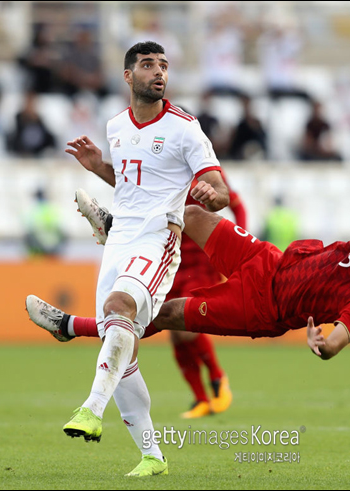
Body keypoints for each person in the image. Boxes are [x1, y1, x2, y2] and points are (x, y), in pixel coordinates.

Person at [27, 123, 350, 399]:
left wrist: (322, 344)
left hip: (261, 307)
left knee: (163, 313)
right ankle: (117, 225)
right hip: (269, 261)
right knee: (191, 212)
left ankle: (71, 327)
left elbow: (339, 341)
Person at [59, 41, 229, 478]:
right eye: (148, 64)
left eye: (164, 66)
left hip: (158, 240)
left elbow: (220, 189)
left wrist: (213, 195)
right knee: (119, 345)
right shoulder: (117, 125)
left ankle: (91, 408)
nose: (159, 72)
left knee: (118, 312)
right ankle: (153, 456)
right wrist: (99, 166)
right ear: (128, 76)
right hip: (118, 240)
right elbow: (131, 185)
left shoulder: (185, 128)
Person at [29, 172, 246, 420]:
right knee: (173, 332)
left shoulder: (202, 174)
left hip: (199, 263)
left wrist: (237, 240)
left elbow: (234, 203)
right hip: (167, 261)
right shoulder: (161, 173)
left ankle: (218, 378)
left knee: (185, 327)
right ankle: (200, 398)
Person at [23, 187, 67, 257]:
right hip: (53, 244)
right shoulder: (52, 208)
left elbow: (29, 229)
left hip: (41, 245)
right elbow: (61, 228)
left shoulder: (34, 210)